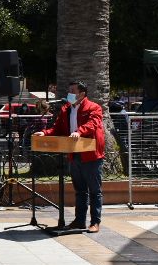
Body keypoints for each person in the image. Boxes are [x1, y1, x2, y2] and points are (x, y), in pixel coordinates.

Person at [34, 81, 105, 232]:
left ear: (82, 94)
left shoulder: (94, 107)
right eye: (69, 90)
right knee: (80, 190)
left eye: (73, 90)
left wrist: (79, 132)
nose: (69, 93)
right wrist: (45, 133)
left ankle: (95, 222)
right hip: (74, 154)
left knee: (94, 190)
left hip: (91, 154)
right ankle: (79, 221)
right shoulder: (66, 109)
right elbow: (58, 128)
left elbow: (93, 124)